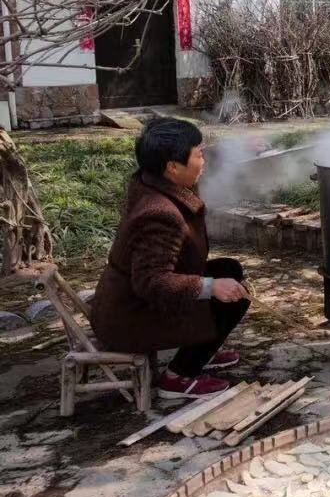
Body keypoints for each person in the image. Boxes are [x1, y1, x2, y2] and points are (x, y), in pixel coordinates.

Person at [90, 118, 250, 399]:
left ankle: (204, 349)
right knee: (231, 301)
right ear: (173, 167)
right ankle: (178, 377)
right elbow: (151, 282)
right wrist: (212, 288)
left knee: (229, 269)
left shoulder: (153, 177)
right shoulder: (159, 214)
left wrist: (239, 148)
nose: (203, 159)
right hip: (131, 315)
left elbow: (191, 154)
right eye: (198, 154)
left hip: (128, 298)